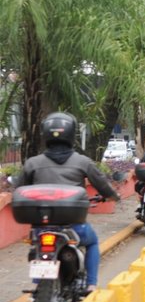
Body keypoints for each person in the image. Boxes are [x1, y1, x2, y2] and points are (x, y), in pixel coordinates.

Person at [15, 112, 120, 292]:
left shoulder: (32, 163)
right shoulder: (82, 161)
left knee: (37, 245)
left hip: (41, 227)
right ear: (72, 135)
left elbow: (18, 189)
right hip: (73, 227)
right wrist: (112, 196)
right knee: (93, 242)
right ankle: (91, 284)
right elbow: (102, 184)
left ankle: (37, 284)